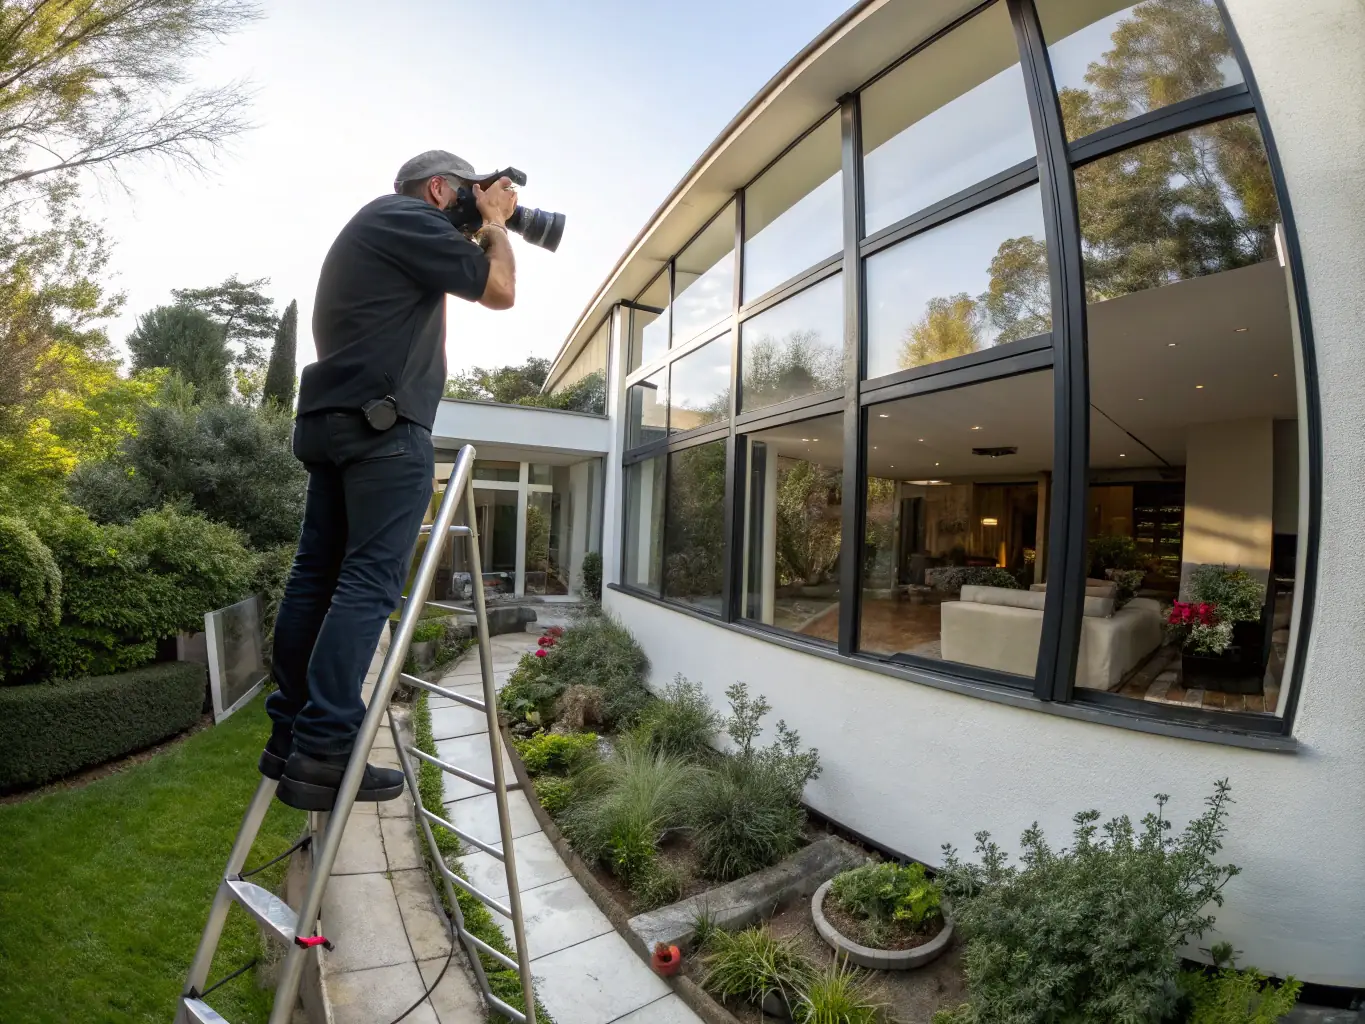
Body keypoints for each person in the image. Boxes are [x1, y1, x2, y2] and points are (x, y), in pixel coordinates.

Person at [262, 151, 518, 811]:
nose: (474, 203)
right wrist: (496, 225)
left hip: (333, 421)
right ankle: (324, 750)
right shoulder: (409, 217)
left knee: (314, 579)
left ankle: (290, 735)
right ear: (439, 189)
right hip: (383, 428)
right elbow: (500, 291)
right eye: (467, 193)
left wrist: (479, 219)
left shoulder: (378, 224)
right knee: (366, 586)